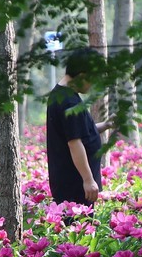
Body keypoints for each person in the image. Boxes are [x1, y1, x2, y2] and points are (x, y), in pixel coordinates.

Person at [46, 48, 111, 206]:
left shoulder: (61, 95)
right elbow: (74, 143)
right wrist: (88, 180)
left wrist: (106, 125)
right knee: (77, 228)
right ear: (82, 76)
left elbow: (78, 132)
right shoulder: (69, 102)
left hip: (70, 183)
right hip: (75, 186)